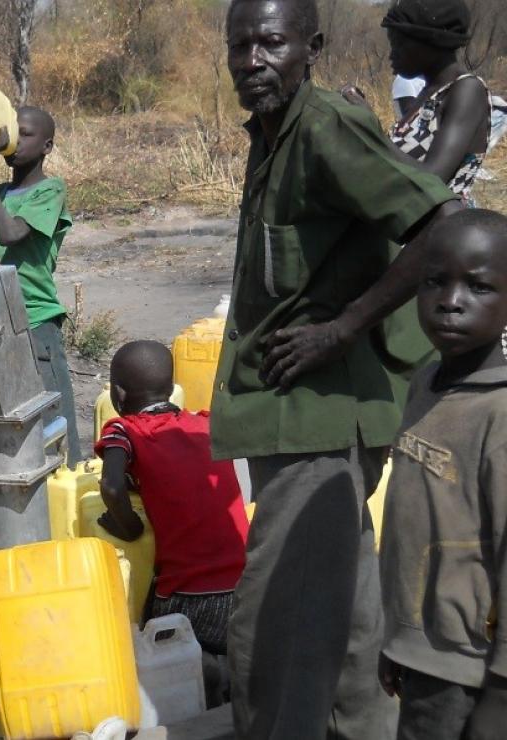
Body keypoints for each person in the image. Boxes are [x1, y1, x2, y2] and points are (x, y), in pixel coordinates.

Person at [216, 1, 462, 738]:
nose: (253, 59)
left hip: (323, 407)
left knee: (274, 613)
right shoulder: (272, 133)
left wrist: (341, 328)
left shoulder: (325, 127)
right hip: (286, 400)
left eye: (271, 43)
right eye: (240, 46)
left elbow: (440, 226)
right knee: (347, 602)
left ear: (310, 47)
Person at [378, 208, 507, 740]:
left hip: (471, 666)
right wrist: (398, 640)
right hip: (422, 652)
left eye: (478, 287)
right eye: (434, 281)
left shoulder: (498, 415)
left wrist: (500, 691)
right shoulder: (426, 382)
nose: (450, 301)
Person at [95, 341, 248, 657]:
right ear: (172, 388)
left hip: (187, 599)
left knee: (144, 643)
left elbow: (111, 487)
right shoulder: (206, 424)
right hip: (247, 590)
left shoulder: (126, 430)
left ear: (118, 395)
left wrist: (129, 527)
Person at [0, 107, 81, 464]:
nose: (17, 142)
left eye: (27, 134)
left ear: (48, 146)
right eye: (13, 133)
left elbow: (10, 233)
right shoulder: (0, 191)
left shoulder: (50, 190)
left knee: (55, 419)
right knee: (14, 418)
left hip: (35, 320)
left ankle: (70, 488)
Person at [344, 0, 491, 206]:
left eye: (399, 44)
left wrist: (371, 128)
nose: (392, 54)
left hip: (442, 228)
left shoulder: (467, 90)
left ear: (431, 42)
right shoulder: (429, 92)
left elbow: (433, 178)